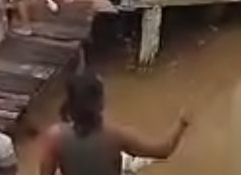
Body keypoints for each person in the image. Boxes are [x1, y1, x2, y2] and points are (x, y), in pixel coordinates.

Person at [39, 72, 190, 175]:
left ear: (69, 103)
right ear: (100, 103)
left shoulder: (54, 138)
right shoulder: (116, 136)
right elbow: (163, 150)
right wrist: (181, 124)